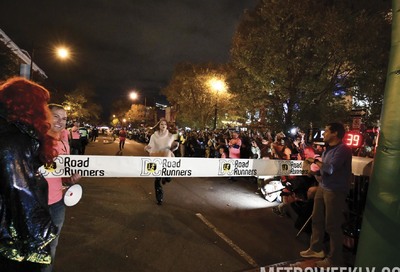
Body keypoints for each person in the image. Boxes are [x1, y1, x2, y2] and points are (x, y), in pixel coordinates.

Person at [0, 77, 58, 271]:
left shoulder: (14, 137)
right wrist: (41, 239)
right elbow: (21, 193)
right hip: (14, 248)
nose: (48, 111)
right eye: (45, 105)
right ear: (31, 106)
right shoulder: (15, 141)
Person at [300, 122, 352, 267]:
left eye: (326, 131)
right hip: (324, 187)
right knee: (317, 219)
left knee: (333, 226)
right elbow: (324, 171)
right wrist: (314, 170)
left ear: (335, 133)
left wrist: (314, 161)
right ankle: (316, 249)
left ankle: (334, 259)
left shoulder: (343, 150)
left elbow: (330, 169)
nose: (323, 134)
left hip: (335, 191)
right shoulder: (328, 150)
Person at [42, 104, 81, 272]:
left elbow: (62, 174)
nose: (60, 121)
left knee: (52, 246)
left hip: (57, 203)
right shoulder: (35, 139)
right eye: (56, 116)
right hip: (35, 203)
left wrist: (71, 178)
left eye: (64, 118)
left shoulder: (64, 142)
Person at [144, 118, 179, 205]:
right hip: (157, 158)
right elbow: (150, 146)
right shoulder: (154, 136)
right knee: (157, 179)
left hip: (167, 158)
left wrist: (175, 146)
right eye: (161, 124)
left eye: (165, 124)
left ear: (167, 126)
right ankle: (159, 198)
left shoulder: (170, 136)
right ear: (159, 126)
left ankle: (166, 177)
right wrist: (146, 148)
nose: (163, 126)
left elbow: (173, 146)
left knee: (168, 178)